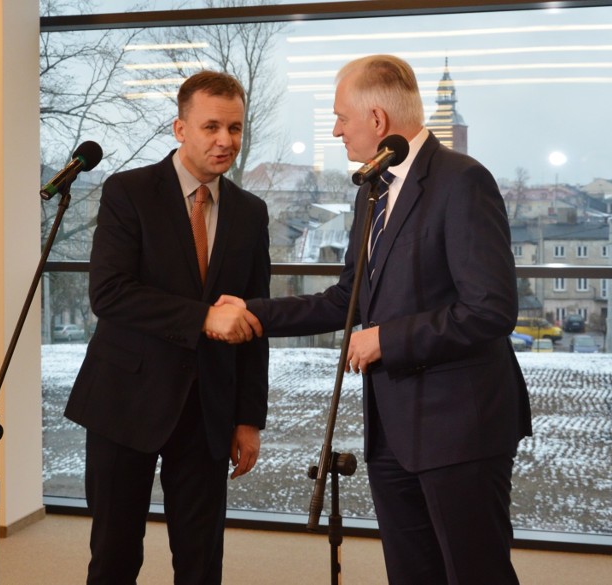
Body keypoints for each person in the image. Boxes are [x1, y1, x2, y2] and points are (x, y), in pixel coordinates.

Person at [215, 55, 532, 585]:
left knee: (474, 573)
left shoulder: (463, 181)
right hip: (392, 431)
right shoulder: (374, 189)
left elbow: (492, 310)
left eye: (341, 117)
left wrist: (388, 338)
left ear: (377, 120)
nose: (336, 130)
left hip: (461, 429)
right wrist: (254, 312)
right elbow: (347, 299)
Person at [65, 70, 270, 585]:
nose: (226, 141)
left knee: (201, 563)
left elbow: (255, 320)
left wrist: (248, 417)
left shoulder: (251, 212)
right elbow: (109, 293)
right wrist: (202, 317)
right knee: (113, 556)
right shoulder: (127, 191)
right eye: (211, 127)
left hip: (208, 409)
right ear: (180, 129)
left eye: (236, 128)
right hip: (124, 401)